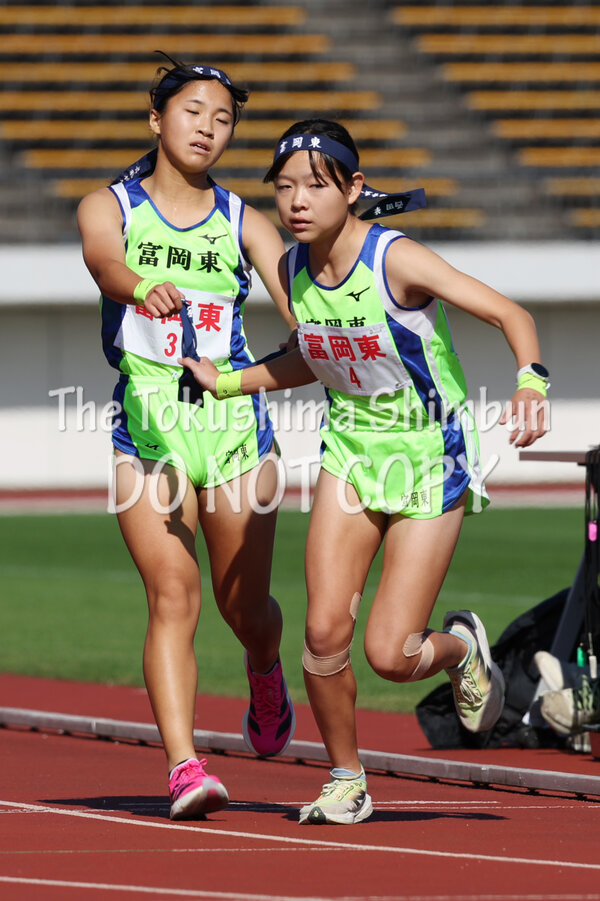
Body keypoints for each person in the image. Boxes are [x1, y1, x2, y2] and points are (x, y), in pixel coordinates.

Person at [179, 118, 550, 825]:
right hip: (349, 455)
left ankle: (460, 650)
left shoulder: (395, 259)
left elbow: (510, 313)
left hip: (427, 457)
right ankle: (346, 778)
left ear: (352, 188)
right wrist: (225, 382)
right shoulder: (290, 269)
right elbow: (311, 356)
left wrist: (531, 382)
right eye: (284, 187)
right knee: (322, 637)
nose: (296, 201)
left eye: (314, 186)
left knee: (389, 653)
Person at [77, 58, 297, 821]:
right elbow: (104, 261)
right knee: (173, 594)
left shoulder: (244, 221)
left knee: (246, 609)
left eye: (223, 118)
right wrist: (143, 286)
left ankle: (264, 667)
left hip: (235, 430)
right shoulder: (109, 205)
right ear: (156, 119)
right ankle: (184, 765)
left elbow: (300, 305)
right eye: (193, 110)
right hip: (148, 432)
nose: (207, 126)